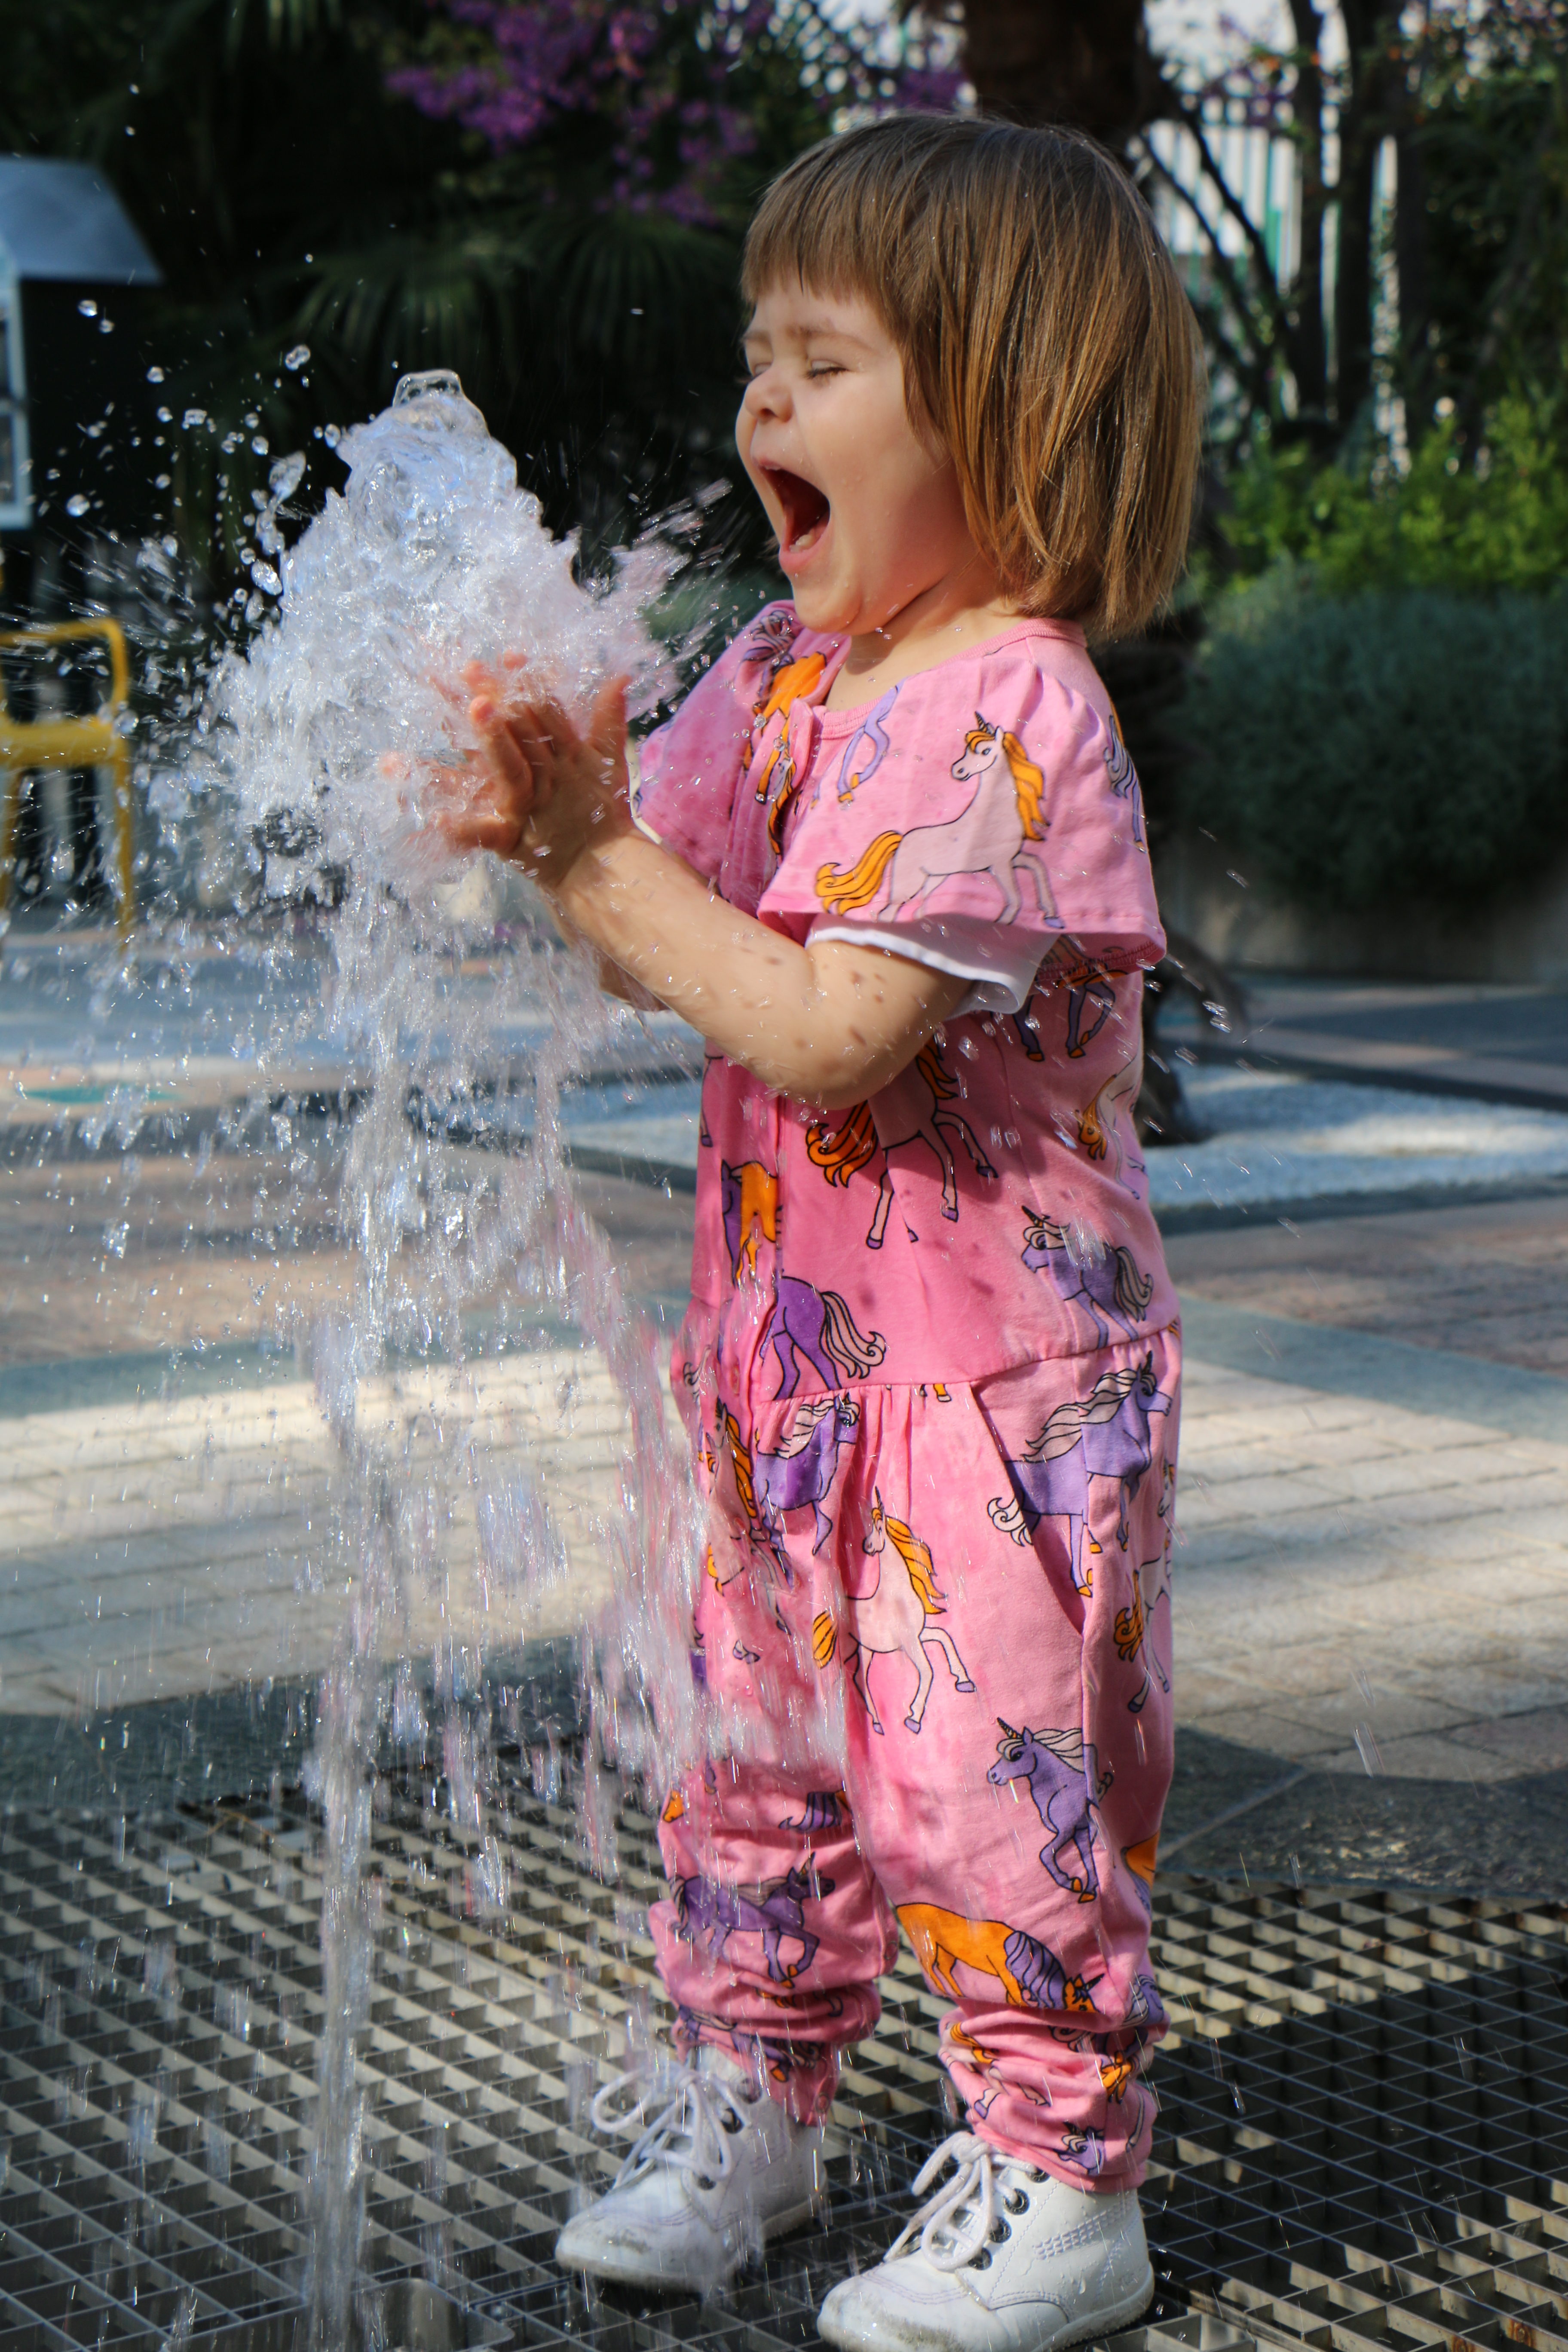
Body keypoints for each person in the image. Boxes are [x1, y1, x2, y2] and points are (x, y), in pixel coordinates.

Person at [438, 112, 1202, 2352]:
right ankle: (755, 2099)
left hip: (993, 1399)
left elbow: (829, 1025)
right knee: (748, 1751)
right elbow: (642, 939)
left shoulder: (1009, 708)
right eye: (755, 356)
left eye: (825, 362)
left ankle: (1060, 2176)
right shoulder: (784, 668)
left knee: (990, 1780)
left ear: (1008, 414)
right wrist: (541, 806)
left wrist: (593, 860)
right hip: (782, 1362)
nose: (762, 399)